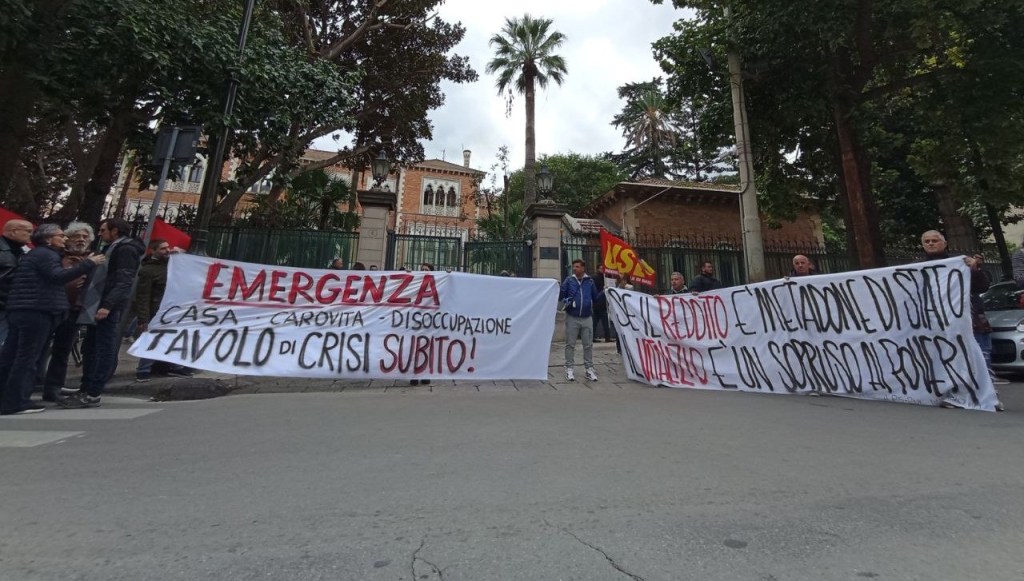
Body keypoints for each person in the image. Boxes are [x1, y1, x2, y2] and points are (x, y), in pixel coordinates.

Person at [0, 224, 103, 415]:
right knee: (27, 357)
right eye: (60, 236)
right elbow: (57, 277)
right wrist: (88, 263)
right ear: (48, 239)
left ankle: (8, 397)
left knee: (13, 355)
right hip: (37, 310)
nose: (64, 239)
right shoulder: (46, 255)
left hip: (25, 309)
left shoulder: (37, 254)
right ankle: (16, 401)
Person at [62, 218, 144, 408]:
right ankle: (87, 386)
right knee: (91, 347)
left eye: (103, 230)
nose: (99, 234)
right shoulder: (113, 248)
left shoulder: (125, 250)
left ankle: (93, 391)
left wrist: (107, 305)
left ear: (115, 231)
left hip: (106, 306)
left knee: (102, 348)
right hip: (97, 303)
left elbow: (124, 280)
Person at [34, 222, 94, 401]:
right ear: (68, 239)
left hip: (75, 309)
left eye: (85, 237)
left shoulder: (93, 259)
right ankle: (32, 381)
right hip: (50, 307)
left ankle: (53, 387)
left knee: (62, 349)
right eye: (77, 236)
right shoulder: (56, 256)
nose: (81, 240)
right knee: (40, 346)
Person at [133, 239, 192, 381]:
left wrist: (181, 254)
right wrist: (143, 318)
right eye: (162, 249)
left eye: (168, 247)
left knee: (172, 339)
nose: (167, 251)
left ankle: (175, 366)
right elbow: (143, 296)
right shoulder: (148, 271)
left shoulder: (171, 264)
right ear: (153, 251)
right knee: (153, 339)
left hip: (172, 310)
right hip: (156, 311)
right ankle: (143, 370)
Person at [561, 259, 599, 381]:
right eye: (574, 267)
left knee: (588, 345)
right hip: (572, 317)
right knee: (570, 344)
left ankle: (589, 368)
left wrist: (606, 291)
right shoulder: (569, 280)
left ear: (583, 268)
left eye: (577, 267)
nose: (575, 269)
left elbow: (596, 297)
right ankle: (569, 368)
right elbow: (561, 294)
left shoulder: (590, 282)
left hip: (587, 317)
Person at [0, 219, 33, 345]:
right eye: (28, 231)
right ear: (14, 231)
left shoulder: (22, 252)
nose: (31, 235)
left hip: (10, 306)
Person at [410, 263, 435, 386]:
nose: (424, 271)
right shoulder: (415, 280)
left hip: (429, 321)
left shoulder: (437, 282)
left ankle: (425, 374)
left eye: (427, 269)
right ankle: (414, 375)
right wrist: (407, 274)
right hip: (415, 320)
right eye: (422, 269)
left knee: (427, 348)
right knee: (414, 348)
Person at [591, 272, 611, 342]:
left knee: (602, 322)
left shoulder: (606, 277)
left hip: (601, 305)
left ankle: (607, 337)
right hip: (599, 305)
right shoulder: (595, 279)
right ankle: (606, 337)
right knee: (598, 322)